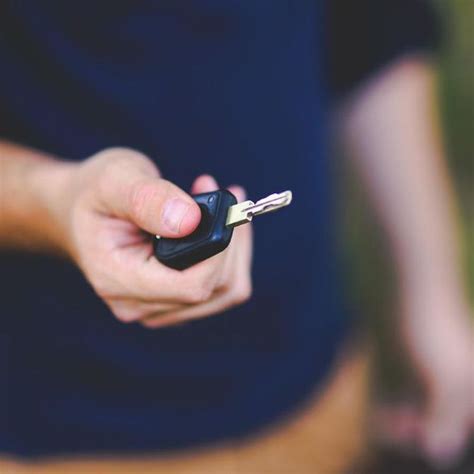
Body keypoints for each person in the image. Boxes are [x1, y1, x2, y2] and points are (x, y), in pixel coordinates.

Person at [0, 0, 472, 472]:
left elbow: (369, 20)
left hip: (317, 388)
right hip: (69, 431)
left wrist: (432, 291)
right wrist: (55, 200)